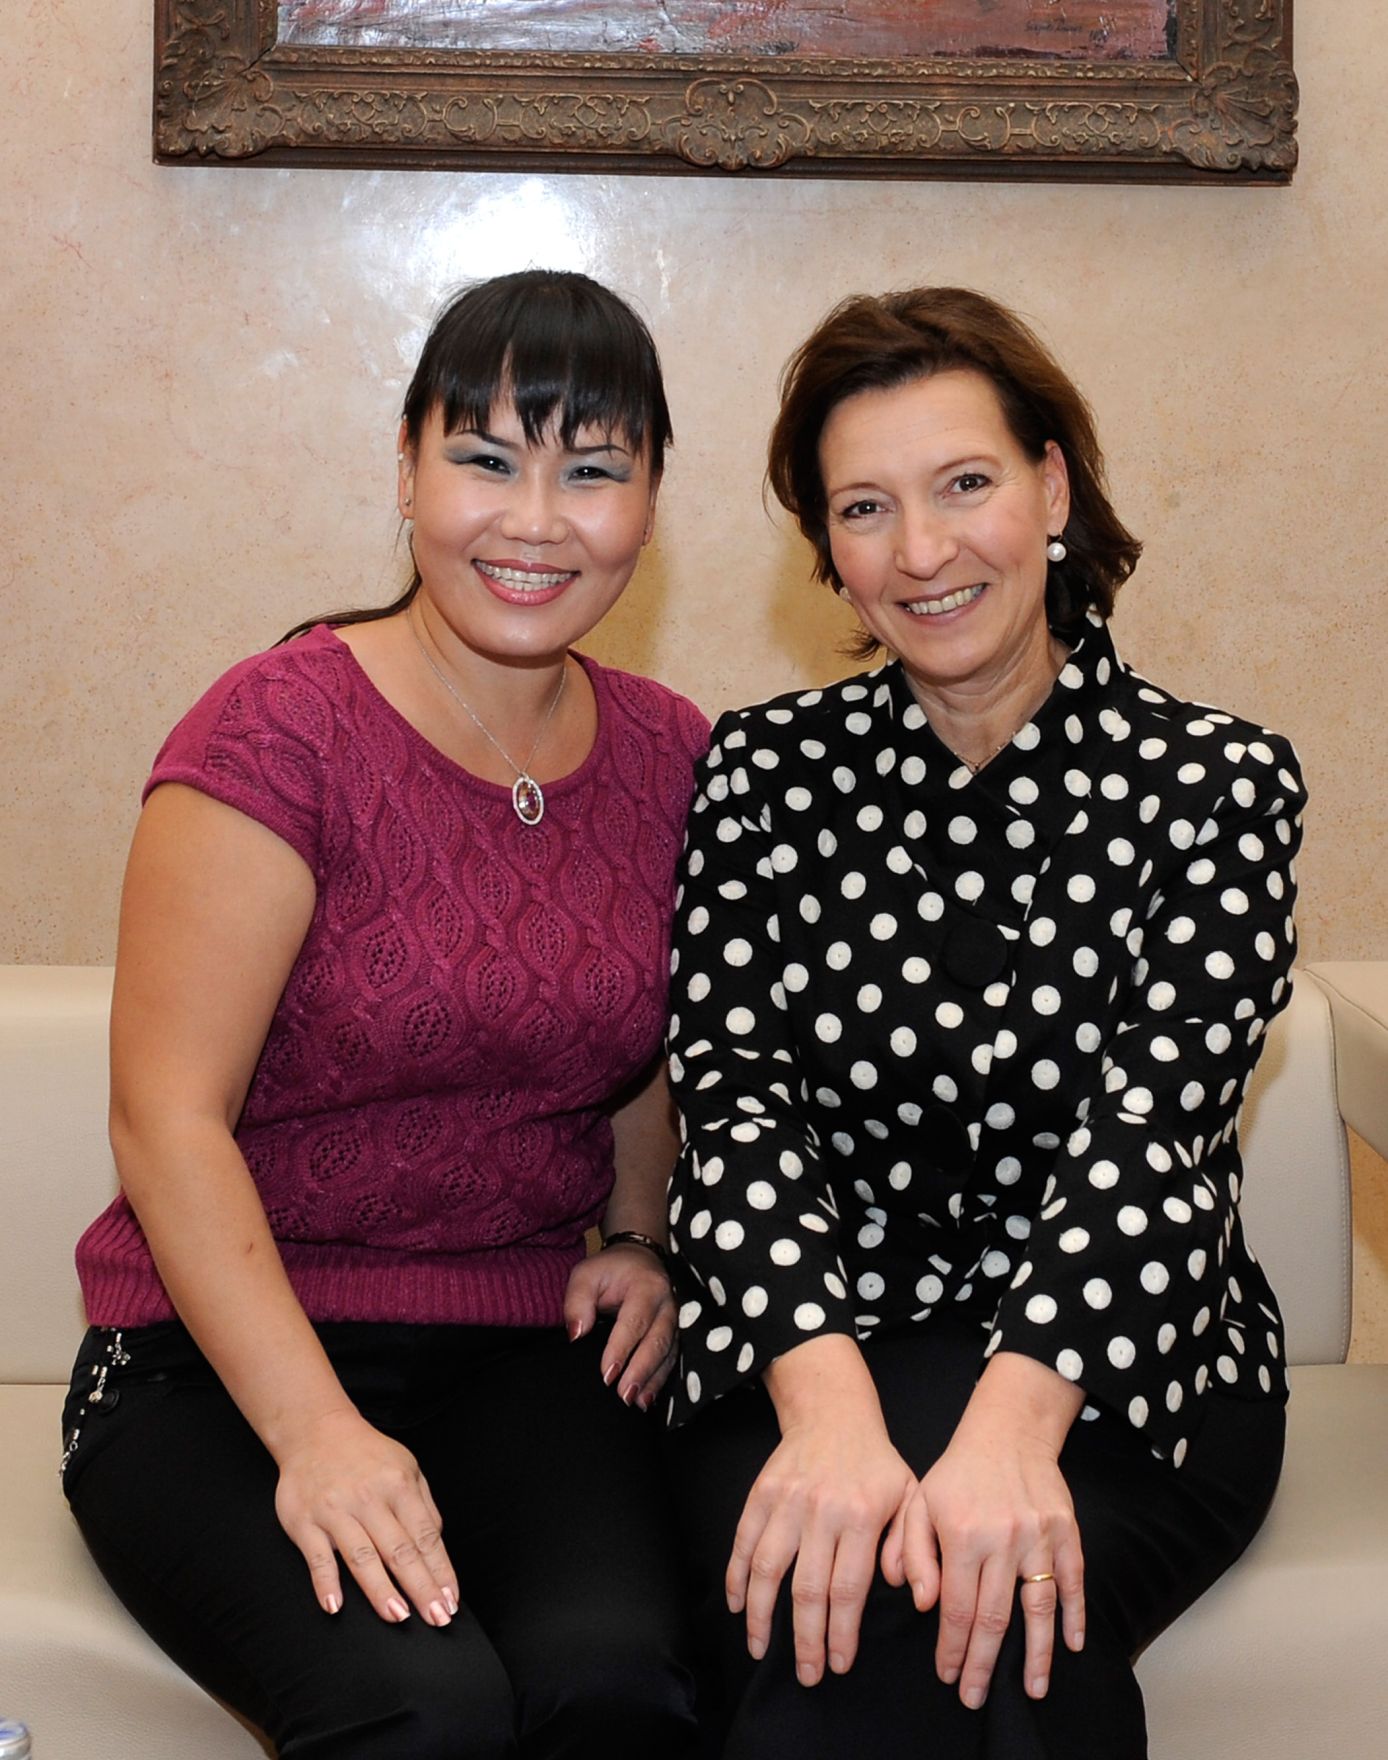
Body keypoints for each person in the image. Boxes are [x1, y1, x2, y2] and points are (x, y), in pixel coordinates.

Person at [63, 270, 706, 1759]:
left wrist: (642, 1236)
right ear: (406, 469)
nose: (535, 521)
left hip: (520, 1344)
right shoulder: (279, 727)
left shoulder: (674, 752)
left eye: (592, 471)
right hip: (214, 1360)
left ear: (651, 505)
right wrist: (317, 1435)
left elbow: (640, 1040)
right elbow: (166, 1118)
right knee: (424, 1710)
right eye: (485, 458)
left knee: (618, 1688)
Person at [664, 286, 1304, 1758]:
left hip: (1129, 1363)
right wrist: (831, 1420)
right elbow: (735, 1103)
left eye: (965, 484)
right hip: (809, 1341)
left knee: (1001, 1598)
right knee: (831, 1607)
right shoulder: (761, 774)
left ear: (1053, 489)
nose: (923, 550)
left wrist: (1011, 1441)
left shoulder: (1217, 787)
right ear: (828, 549)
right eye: (865, 508)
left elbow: (1155, 1137)